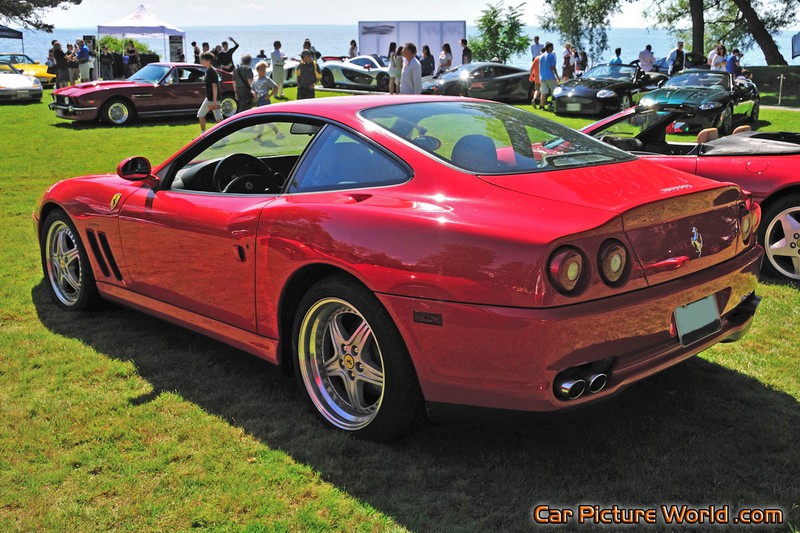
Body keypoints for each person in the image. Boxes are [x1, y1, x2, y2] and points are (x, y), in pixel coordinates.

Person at [251, 61, 283, 140]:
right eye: (262, 69)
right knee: (263, 119)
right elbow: (252, 88)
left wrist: (269, 95)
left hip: (264, 100)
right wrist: (254, 93)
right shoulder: (255, 79)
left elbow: (276, 87)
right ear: (258, 70)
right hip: (258, 100)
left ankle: (260, 136)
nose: (263, 71)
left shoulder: (267, 79)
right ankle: (277, 133)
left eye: (264, 69)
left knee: (263, 119)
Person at [197, 52, 222, 133]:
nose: (201, 61)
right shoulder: (209, 71)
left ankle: (203, 133)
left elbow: (214, 86)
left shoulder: (211, 72)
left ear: (208, 61)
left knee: (201, 114)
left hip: (211, 99)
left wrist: (214, 102)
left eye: (202, 60)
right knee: (218, 118)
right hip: (211, 98)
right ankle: (225, 134)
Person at [538, 42, 558, 110]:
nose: (553, 49)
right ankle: (552, 104)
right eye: (552, 47)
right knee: (554, 91)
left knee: (543, 92)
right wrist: (557, 76)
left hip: (542, 76)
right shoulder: (551, 56)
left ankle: (542, 106)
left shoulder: (541, 56)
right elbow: (553, 67)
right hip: (550, 76)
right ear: (549, 48)